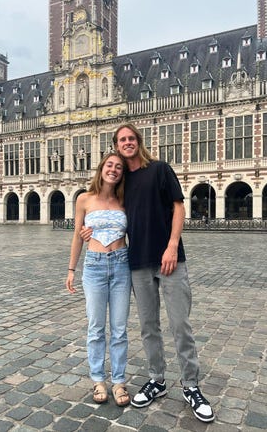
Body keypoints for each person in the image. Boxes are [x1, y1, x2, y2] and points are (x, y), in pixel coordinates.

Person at [82, 124, 214, 422]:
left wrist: (171, 245)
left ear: (138, 142)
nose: (127, 143)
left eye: (131, 138)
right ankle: (157, 379)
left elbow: (178, 208)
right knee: (148, 327)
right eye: (121, 140)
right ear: (116, 145)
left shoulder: (160, 169)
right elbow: (106, 209)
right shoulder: (122, 181)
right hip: (137, 262)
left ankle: (191, 386)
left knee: (180, 325)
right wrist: (88, 228)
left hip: (169, 260)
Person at [65, 152, 131, 407]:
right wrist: (71, 269)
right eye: (109, 165)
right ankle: (97, 379)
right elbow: (76, 236)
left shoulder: (125, 200)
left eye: (118, 167)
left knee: (120, 329)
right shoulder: (84, 199)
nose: (113, 170)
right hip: (93, 265)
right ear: (101, 168)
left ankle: (119, 380)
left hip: (121, 264)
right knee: (95, 328)